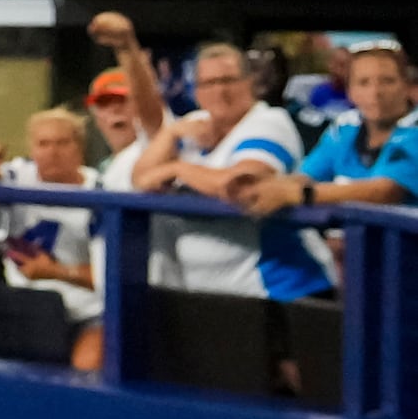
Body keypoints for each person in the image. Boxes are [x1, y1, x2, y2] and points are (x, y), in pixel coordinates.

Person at [130, 40, 335, 302]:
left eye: (228, 80)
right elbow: (140, 179)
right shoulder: (194, 124)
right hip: (216, 295)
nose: (220, 91)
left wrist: (176, 167)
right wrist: (169, 133)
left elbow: (239, 184)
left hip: (281, 290)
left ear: (249, 82)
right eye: (209, 83)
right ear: (197, 91)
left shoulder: (269, 122)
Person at [0, 107, 109, 371]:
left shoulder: (101, 193)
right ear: (32, 148)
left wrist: (55, 272)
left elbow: (110, 278)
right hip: (24, 307)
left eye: (63, 143)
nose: (53, 153)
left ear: (79, 147)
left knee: (88, 365)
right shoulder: (18, 176)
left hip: (87, 313)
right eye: (43, 144)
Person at [244, 38, 417, 226]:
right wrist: (267, 188)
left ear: (407, 87)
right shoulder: (345, 127)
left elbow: (385, 192)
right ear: (350, 91)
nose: (375, 92)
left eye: (387, 81)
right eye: (363, 82)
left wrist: (301, 194)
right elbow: (307, 175)